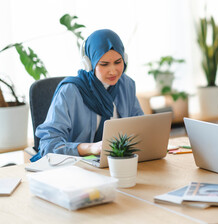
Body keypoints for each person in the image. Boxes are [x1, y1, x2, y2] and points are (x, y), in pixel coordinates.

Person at [32, 29, 143, 161]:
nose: (113, 71)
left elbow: (141, 127)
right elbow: (48, 145)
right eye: (104, 64)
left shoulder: (126, 85)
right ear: (89, 64)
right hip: (74, 167)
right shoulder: (70, 92)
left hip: (114, 164)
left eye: (118, 62)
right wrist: (91, 148)